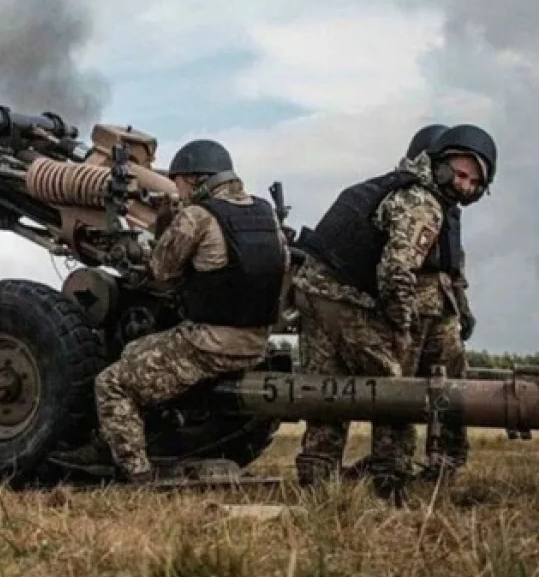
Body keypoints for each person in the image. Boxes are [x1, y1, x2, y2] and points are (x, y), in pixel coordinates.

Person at [48, 139, 289, 482]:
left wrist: (164, 220)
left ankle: (136, 473)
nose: (178, 191)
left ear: (194, 179)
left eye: (178, 183)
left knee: (113, 382)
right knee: (136, 351)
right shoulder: (267, 215)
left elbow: (160, 271)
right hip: (256, 343)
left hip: (209, 344)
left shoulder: (197, 217)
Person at [293, 123, 496, 503]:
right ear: (438, 163)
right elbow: (395, 271)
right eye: (460, 174)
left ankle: (318, 476)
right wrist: (399, 325)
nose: (464, 185)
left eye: (473, 181)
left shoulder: (393, 186)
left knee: (326, 386)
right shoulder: (422, 203)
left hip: (314, 291)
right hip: (345, 298)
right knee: (392, 387)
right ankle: (390, 476)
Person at [342, 124, 480, 484]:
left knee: (453, 385)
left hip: (442, 309)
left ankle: (446, 461)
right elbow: (394, 264)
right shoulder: (409, 199)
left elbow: (454, 262)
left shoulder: (448, 208)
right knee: (398, 390)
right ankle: (391, 465)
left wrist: (462, 306)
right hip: (410, 308)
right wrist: (398, 317)